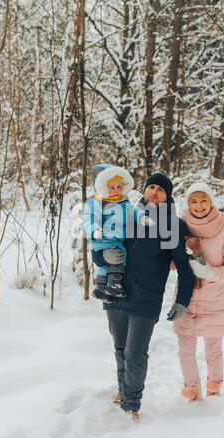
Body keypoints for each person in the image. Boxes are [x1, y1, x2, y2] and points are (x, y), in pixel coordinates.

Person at [93, 172, 196, 420]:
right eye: (151, 187)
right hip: (115, 291)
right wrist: (103, 257)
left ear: (167, 196)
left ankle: (131, 403)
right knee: (120, 349)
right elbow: (100, 249)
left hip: (146, 297)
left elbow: (185, 268)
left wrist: (182, 300)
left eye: (161, 190)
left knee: (135, 353)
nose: (154, 192)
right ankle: (122, 391)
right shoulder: (125, 214)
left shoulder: (172, 225)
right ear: (144, 190)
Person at [170, 182, 224, 401]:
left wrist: (210, 273)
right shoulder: (181, 229)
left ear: (211, 202)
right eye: (194, 200)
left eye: (203, 200)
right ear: (188, 203)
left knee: (212, 347)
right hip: (186, 298)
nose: (199, 205)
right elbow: (172, 263)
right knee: (185, 348)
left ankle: (214, 385)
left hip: (215, 300)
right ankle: (191, 388)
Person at [82, 164, 152, 302]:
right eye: (112, 187)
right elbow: (89, 219)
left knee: (106, 264)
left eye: (119, 187)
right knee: (120, 257)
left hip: (115, 239)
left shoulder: (122, 201)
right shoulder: (96, 202)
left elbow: (133, 210)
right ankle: (114, 283)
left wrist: (142, 217)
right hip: (103, 238)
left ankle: (101, 288)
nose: (116, 190)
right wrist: (94, 230)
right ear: (103, 186)